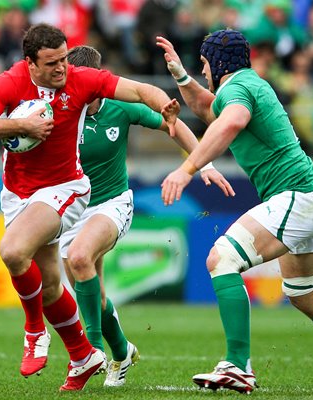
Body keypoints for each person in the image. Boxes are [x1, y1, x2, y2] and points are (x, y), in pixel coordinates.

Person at [156, 30, 313, 395]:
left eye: (205, 64)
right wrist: (180, 75)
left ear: (219, 63)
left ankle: (238, 366)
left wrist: (187, 168)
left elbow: (229, 121)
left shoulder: (237, 88)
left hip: (297, 197)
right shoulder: (244, 84)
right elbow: (210, 110)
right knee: (306, 296)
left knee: (220, 259)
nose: (203, 72)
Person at [0, 23, 183, 392]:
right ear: (30, 63)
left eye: (64, 59)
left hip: (67, 188)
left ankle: (34, 331)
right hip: (18, 193)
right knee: (48, 287)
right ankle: (83, 354)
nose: (62, 68)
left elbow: (140, 89)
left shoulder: (83, 79)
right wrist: (20, 125)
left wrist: (164, 106)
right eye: (51, 63)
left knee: (13, 251)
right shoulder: (11, 83)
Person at [60, 45, 234, 387]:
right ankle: (122, 352)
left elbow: (175, 127)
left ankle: (90, 352)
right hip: (75, 209)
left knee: (81, 257)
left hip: (113, 203)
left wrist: (205, 163)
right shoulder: (63, 110)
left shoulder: (121, 107)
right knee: (93, 292)